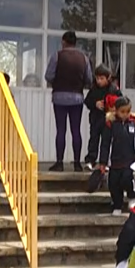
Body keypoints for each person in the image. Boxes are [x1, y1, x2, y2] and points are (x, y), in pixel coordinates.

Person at [44, 31, 93, 172]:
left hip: (59, 97)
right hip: (77, 98)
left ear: (63, 41)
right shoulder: (83, 58)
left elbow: (48, 76)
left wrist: (58, 82)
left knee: (61, 130)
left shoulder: (57, 56)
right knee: (76, 130)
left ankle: (59, 163)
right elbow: (89, 79)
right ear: (75, 42)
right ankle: (77, 163)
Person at [99, 97, 135, 215]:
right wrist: (103, 162)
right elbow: (105, 143)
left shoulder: (134, 123)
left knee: (127, 180)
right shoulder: (111, 124)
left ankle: (132, 197)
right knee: (114, 184)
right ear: (116, 111)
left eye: (127, 112)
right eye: (122, 112)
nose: (125, 114)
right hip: (115, 161)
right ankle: (117, 205)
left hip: (129, 161)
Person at [84, 64, 121, 170]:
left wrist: (111, 106)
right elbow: (87, 101)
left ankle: (103, 162)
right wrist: (95, 104)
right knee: (93, 140)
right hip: (95, 119)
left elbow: (121, 101)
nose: (99, 81)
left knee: (106, 141)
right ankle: (90, 160)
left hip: (108, 120)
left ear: (108, 78)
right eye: (97, 78)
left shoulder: (113, 89)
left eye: (102, 78)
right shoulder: (94, 89)